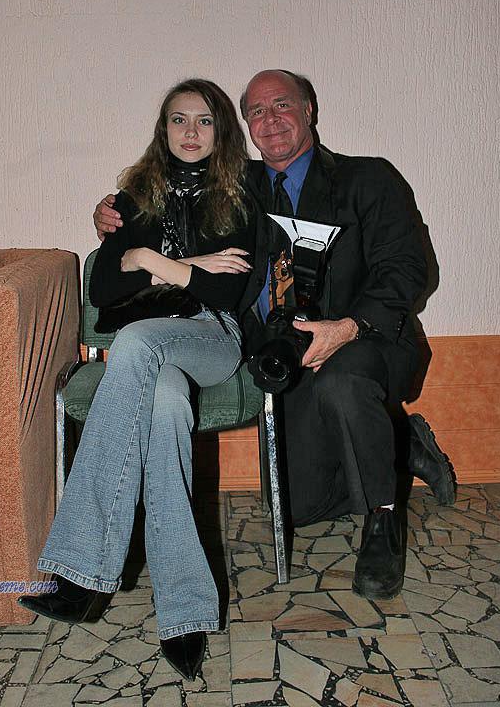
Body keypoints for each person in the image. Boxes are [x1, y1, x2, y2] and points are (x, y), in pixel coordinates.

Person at [93, 70, 454, 601]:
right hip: (280, 354)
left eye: (282, 105)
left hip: (361, 341)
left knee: (344, 382)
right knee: (298, 506)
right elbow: (167, 201)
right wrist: (113, 214)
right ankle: (400, 445)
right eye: (257, 111)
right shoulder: (236, 186)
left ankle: (383, 523)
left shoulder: (367, 178)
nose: (271, 120)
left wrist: (346, 328)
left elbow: (408, 269)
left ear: (308, 110)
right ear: (246, 126)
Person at [18, 79, 259, 681]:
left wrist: (146, 263)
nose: (191, 131)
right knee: (166, 410)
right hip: (147, 351)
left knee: (133, 343)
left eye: (204, 120)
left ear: (221, 130)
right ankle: (185, 614)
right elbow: (102, 290)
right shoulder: (132, 198)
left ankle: (82, 575)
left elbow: (226, 292)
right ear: (162, 129)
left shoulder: (239, 193)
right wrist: (176, 264)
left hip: (210, 337)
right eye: (179, 119)